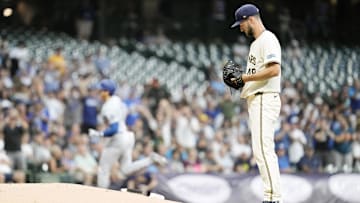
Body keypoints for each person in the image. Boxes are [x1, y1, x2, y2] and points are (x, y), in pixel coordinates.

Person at [230, 4, 282, 203]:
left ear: (250, 19)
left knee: (263, 151)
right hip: (258, 98)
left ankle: (273, 199)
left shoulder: (267, 39)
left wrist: (243, 78)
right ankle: (272, 197)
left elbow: (274, 69)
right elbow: (256, 75)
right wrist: (240, 82)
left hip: (264, 98)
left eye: (241, 24)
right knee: (261, 151)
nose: (240, 28)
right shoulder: (257, 43)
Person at [88, 79, 167, 188]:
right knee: (125, 169)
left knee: (103, 169)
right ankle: (150, 160)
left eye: (101, 90)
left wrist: (99, 134)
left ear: (106, 91)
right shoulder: (117, 100)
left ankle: (101, 197)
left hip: (118, 138)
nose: (98, 92)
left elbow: (114, 129)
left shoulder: (108, 107)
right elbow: (133, 109)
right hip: (128, 136)